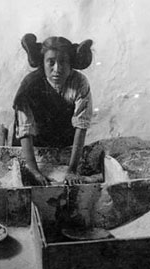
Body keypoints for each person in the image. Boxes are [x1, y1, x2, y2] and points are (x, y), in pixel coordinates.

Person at [12, 33, 94, 186]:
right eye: (51, 62)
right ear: (42, 63)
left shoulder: (79, 83)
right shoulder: (30, 85)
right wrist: (34, 171)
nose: (57, 69)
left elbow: (81, 126)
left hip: (63, 144)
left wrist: (71, 170)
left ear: (71, 64)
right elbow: (25, 129)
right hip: (33, 144)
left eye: (63, 62)